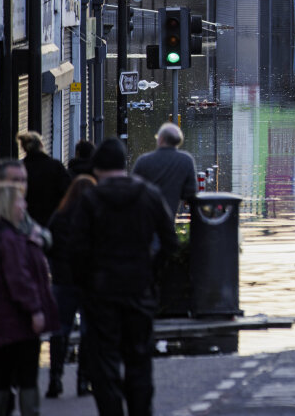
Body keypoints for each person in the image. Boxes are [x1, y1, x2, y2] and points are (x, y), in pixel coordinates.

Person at [71, 138, 178, 416]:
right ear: (124, 164)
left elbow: (77, 249)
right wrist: (151, 271)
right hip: (139, 289)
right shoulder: (149, 194)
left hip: (101, 293)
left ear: (97, 169)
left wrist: (86, 283)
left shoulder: (90, 199)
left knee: (104, 363)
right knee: (139, 360)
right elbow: (170, 242)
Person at [0, 183, 59, 416]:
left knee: (2, 376)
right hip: (17, 320)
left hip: (5, 320)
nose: (25, 206)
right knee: (25, 376)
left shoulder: (8, 235)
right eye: (20, 202)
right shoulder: (10, 239)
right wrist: (35, 310)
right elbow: (19, 278)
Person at [46, 174, 98, 399]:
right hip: (88, 282)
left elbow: (48, 246)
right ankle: (83, 381)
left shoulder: (59, 217)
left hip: (63, 281)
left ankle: (55, 378)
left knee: (60, 330)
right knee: (88, 331)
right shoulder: (96, 217)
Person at [132, 123, 198, 219]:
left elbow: (132, 189)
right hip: (168, 218)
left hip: (143, 219)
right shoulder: (186, 160)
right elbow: (190, 193)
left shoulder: (144, 160)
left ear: (161, 139)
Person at [17, 130, 71, 228]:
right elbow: (67, 192)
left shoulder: (20, 169)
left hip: (27, 223)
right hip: (52, 222)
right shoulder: (55, 166)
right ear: (41, 145)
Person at [0, 160, 51, 251]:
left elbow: (44, 234)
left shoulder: (19, 209)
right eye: (15, 180)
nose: (21, 186)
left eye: (23, 180)